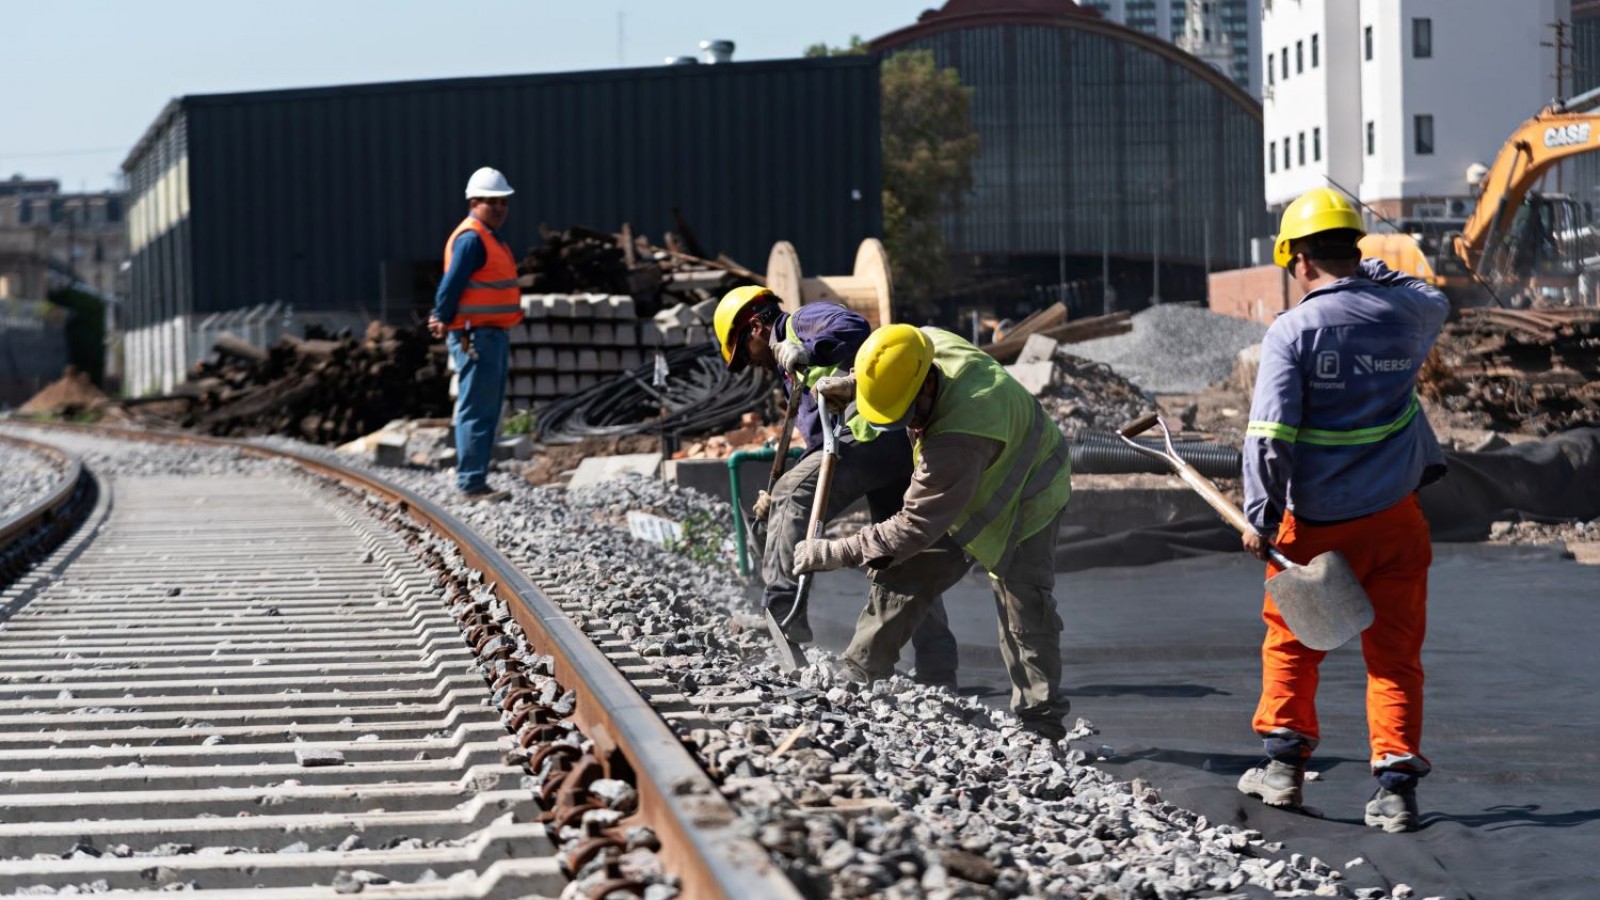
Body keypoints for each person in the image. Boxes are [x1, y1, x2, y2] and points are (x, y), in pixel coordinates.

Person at [1235, 187, 1450, 833]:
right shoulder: (1409, 314)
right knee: (1395, 654)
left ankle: (1284, 770)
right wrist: (1372, 269)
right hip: (1396, 518)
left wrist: (1260, 517)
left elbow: (1269, 437)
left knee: (1294, 641)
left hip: (1318, 524)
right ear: (1354, 250)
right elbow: (1434, 295)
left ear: (1300, 260)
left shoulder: (1293, 331)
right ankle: (1396, 791)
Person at [792, 324, 1074, 740]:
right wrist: (856, 387)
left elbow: (914, 526)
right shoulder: (923, 344)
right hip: (966, 479)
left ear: (927, 385)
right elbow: (889, 367)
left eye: (907, 415)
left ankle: (1040, 724)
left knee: (1024, 610)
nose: (907, 425)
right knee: (903, 572)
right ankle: (857, 676)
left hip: (1028, 493)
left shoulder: (958, 436)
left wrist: (835, 552)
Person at [713, 287, 961, 689]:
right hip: (887, 446)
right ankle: (938, 665)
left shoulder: (800, 323)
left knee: (793, 494)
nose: (751, 363)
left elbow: (854, 327)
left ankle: (782, 612)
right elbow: (821, 441)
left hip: (866, 435)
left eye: (745, 352)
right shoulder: (788, 367)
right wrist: (783, 489)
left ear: (756, 327)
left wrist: (808, 351)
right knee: (901, 556)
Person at [428, 167, 524, 502]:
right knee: (477, 408)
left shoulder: (489, 237)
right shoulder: (472, 239)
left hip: (490, 333)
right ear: (473, 203)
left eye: (503, 202)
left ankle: (476, 477)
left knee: (487, 408)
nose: (499, 208)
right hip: (476, 335)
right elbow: (452, 282)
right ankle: (470, 482)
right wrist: (441, 314)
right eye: (491, 202)